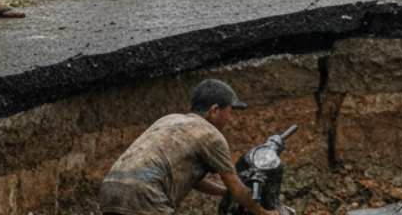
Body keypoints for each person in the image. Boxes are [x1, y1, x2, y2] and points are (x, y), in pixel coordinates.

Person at [99, 79, 279, 215]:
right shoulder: (209, 134)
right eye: (229, 111)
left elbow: (192, 179)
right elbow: (238, 190)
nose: (229, 119)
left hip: (110, 190)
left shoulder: (169, 120)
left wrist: (224, 191)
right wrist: (267, 213)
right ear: (214, 110)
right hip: (146, 193)